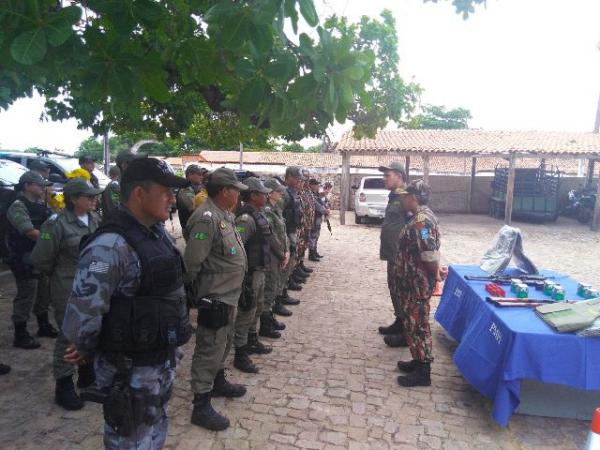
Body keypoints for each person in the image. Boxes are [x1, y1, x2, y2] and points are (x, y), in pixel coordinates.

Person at [61, 158, 192, 449]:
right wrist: (83, 345)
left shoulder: (155, 233)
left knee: (153, 429)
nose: (173, 199)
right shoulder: (108, 246)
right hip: (130, 368)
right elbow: (85, 306)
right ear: (138, 194)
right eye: (166, 191)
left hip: (158, 359)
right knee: (130, 438)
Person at [184, 168, 248, 431]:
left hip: (229, 294)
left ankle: (218, 380)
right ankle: (201, 404)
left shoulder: (225, 215)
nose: (238, 195)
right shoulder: (206, 218)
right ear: (224, 191)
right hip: (215, 296)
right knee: (209, 347)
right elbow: (192, 263)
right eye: (235, 190)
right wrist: (194, 298)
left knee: (224, 342)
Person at [31, 179, 102, 410]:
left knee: (91, 331)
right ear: (73, 199)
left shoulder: (95, 219)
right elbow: (41, 260)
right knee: (69, 336)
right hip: (68, 289)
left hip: (94, 287)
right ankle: (63, 384)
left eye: (94, 196)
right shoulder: (56, 224)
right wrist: (63, 275)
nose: (93, 199)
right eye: (88, 196)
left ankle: (86, 374)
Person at [393, 180, 443, 387]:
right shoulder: (423, 216)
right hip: (413, 280)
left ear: (413, 198)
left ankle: (423, 370)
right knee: (413, 323)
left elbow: (429, 252)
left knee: (418, 325)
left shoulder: (421, 221)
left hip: (417, 283)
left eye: (405, 196)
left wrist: (435, 275)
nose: (402, 200)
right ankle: (417, 359)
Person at [6, 171, 58, 349]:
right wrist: (50, 242)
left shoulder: (42, 204)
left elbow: (55, 223)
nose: (44, 188)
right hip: (23, 256)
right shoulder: (17, 206)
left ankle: (43, 324)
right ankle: (20, 334)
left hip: (40, 255)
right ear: (27, 186)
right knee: (27, 294)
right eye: (40, 185)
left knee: (44, 291)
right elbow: (29, 231)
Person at [233, 177, 274, 373]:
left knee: (256, 308)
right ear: (253, 195)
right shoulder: (246, 219)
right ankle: (240, 353)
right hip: (249, 274)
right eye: (263, 193)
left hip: (259, 270)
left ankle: (251, 340)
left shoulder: (258, 214)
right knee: (245, 312)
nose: (266, 196)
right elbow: (236, 248)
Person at [377, 162, 409, 348]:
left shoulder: (407, 198)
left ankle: (407, 331)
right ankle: (400, 321)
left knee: (403, 292)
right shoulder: (394, 196)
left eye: (387, 176)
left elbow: (416, 223)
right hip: (392, 254)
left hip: (402, 256)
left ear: (399, 175)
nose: (384, 179)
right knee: (394, 289)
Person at [260, 179, 290, 339]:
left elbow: (282, 233)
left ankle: (269, 317)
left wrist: (286, 251)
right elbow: (271, 237)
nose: (281, 193)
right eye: (278, 191)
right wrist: (282, 253)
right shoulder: (267, 211)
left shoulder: (276, 209)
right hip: (272, 256)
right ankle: (265, 324)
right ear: (270, 193)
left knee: (274, 286)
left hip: (279, 254)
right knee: (269, 288)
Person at [279, 167, 303, 309]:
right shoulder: (284, 193)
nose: (298, 180)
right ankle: (280, 297)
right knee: (285, 265)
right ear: (288, 177)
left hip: (292, 231)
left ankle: (284, 292)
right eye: (296, 177)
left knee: (290, 264)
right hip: (286, 233)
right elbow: (278, 215)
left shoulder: (292, 192)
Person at [101, 151, 145, 221]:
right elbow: (116, 211)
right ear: (124, 165)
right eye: (133, 163)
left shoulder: (127, 184)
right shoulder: (114, 186)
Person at [176, 164, 206, 232]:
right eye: (199, 174)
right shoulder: (186, 189)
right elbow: (194, 209)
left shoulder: (196, 188)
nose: (202, 177)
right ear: (190, 175)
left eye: (202, 174)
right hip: (191, 228)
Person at [308, 178, 330, 261]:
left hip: (318, 217)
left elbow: (321, 202)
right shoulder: (311, 194)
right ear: (312, 185)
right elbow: (316, 204)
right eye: (316, 185)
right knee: (313, 235)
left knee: (316, 235)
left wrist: (326, 208)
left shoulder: (316, 194)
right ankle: (311, 254)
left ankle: (314, 251)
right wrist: (324, 210)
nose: (318, 186)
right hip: (314, 217)